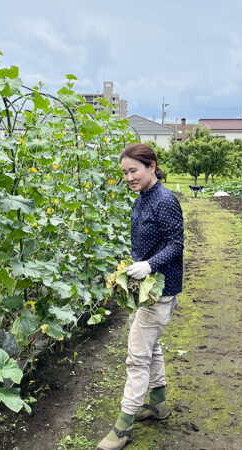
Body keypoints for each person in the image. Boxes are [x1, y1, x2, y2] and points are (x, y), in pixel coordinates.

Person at [98, 143, 184, 450]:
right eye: (124, 172)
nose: (129, 177)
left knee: (137, 357)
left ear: (151, 166)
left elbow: (176, 245)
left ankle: (123, 427)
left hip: (160, 289)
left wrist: (148, 265)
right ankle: (158, 405)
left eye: (133, 170)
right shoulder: (144, 198)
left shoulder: (164, 200)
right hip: (145, 290)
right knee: (150, 346)